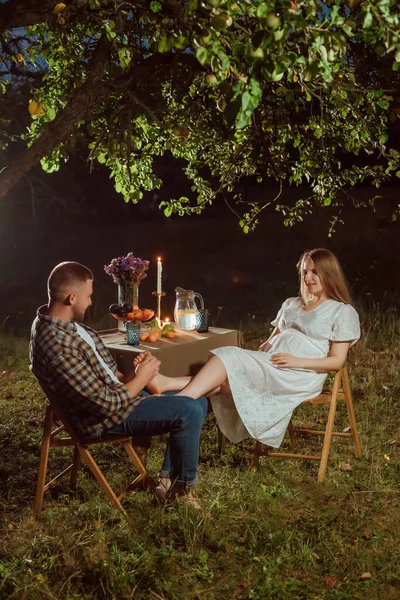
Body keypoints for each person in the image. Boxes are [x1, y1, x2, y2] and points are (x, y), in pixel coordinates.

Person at [29, 261, 208, 507]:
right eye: (88, 296)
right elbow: (105, 405)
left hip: (120, 397)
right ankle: (182, 493)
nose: (91, 302)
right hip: (104, 419)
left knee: (199, 398)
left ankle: (168, 482)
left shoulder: (69, 326)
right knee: (189, 409)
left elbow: (108, 374)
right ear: (71, 298)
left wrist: (135, 375)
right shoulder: (56, 344)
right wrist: (143, 381)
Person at [144, 248, 361, 449]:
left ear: (329, 273)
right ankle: (169, 386)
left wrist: (296, 361)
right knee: (228, 377)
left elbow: (337, 361)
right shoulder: (292, 304)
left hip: (299, 374)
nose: (308, 277)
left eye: (315, 272)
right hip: (272, 364)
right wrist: (259, 355)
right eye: (305, 272)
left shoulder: (341, 311)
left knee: (228, 356)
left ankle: (176, 400)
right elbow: (269, 342)